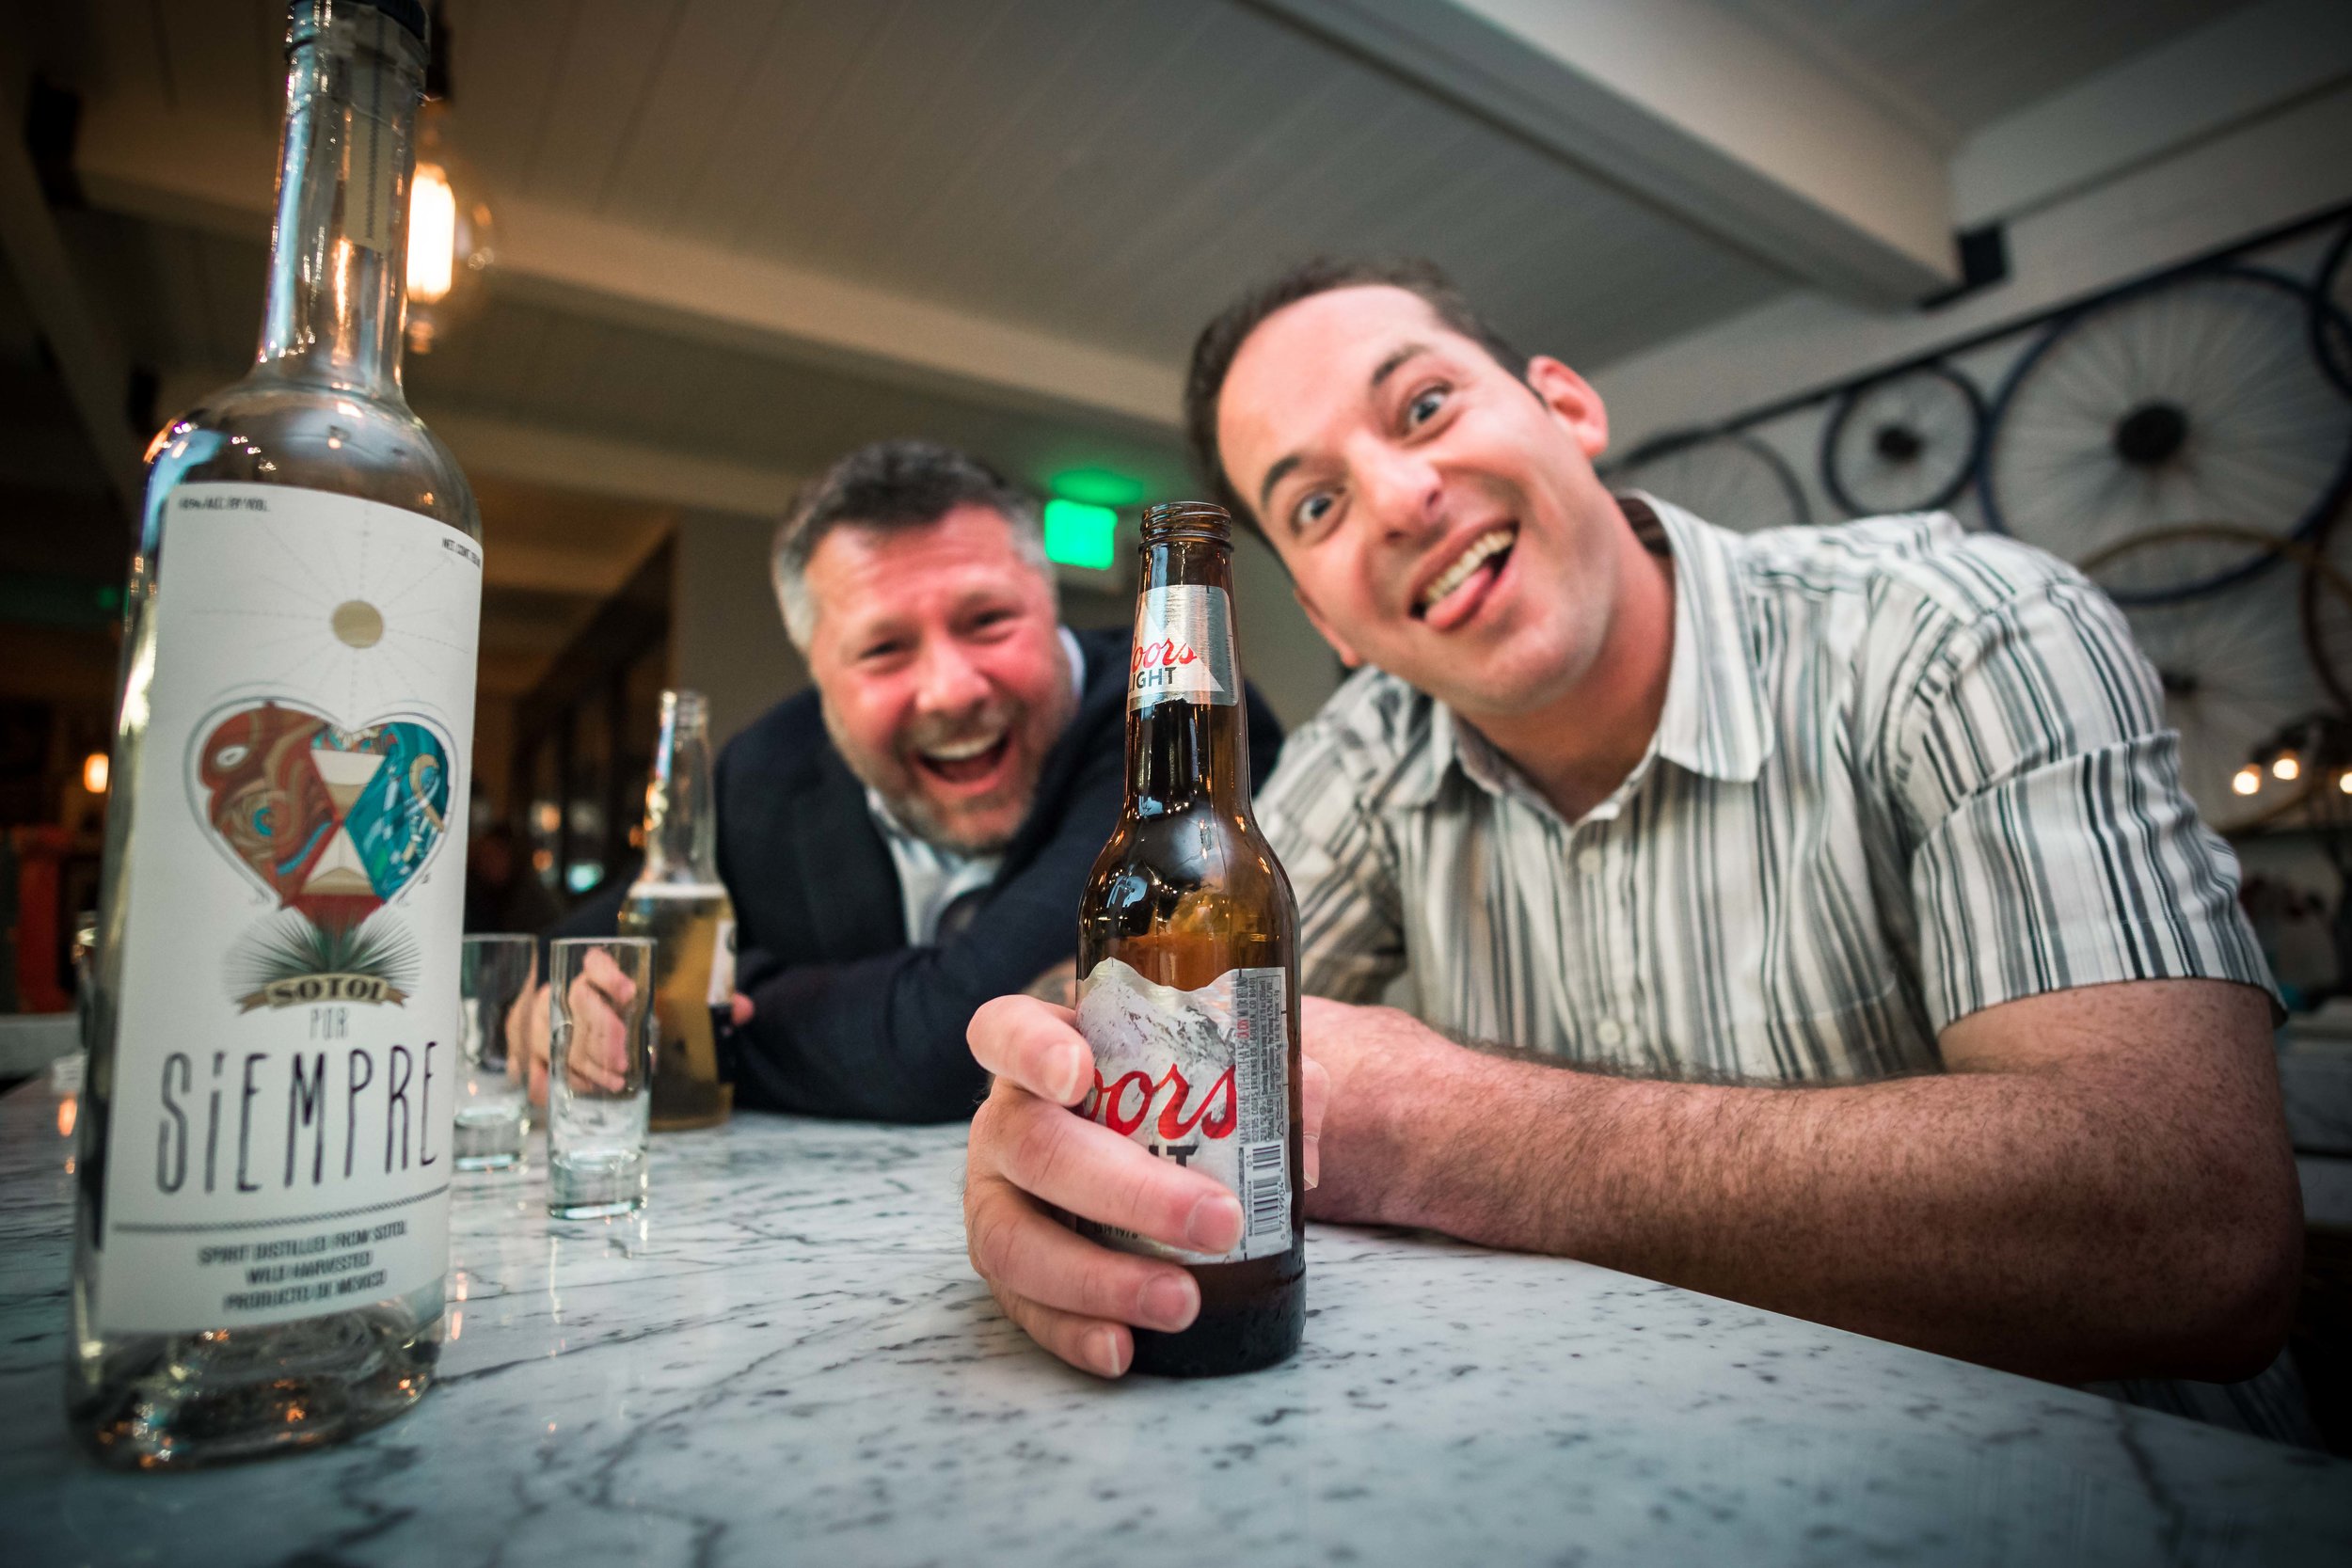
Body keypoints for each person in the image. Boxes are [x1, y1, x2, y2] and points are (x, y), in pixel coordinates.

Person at [960, 259, 2306, 1429]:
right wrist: (1043, 1123)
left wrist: (1454, 1126)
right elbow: (1131, 984)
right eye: (1313, 506)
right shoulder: (1376, 749)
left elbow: (2201, 1231)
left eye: (1423, 405)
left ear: (1569, 405)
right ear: (1327, 616)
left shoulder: (1961, 633)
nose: (1400, 494)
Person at [524, 439, 1283, 1121]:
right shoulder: (765, 769)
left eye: (988, 619)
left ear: (1051, 604)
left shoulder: (1179, 727)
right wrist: (562, 1004)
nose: (952, 689)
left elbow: (951, 1041)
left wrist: (700, 1017)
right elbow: (587, 942)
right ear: (816, 674)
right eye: (884, 648)